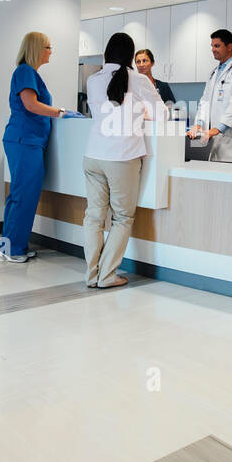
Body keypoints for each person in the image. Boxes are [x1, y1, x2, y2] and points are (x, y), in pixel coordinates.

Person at [83, 33, 165, 288]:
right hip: (122, 157)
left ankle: (92, 275)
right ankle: (107, 276)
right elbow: (162, 113)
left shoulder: (92, 79)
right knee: (122, 218)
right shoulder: (138, 79)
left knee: (94, 217)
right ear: (130, 55)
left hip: (93, 156)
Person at [1, 31, 66, 263]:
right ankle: (13, 248)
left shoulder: (28, 73)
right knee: (24, 195)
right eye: (48, 47)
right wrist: (60, 112)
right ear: (37, 49)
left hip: (25, 140)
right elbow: (31, 104)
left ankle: (8, 244)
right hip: (24, 140)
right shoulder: (25, 71)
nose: (51, 51)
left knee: (19, 193)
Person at [187, 28, 232, 162]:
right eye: (212, 46)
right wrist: (198, 124)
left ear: (229, 47)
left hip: (230, 138)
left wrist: (217, 129)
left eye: (217, 46)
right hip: (210, 137)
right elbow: (204, 101)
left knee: (229, 179)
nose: (213, 49)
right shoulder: (214, 73)